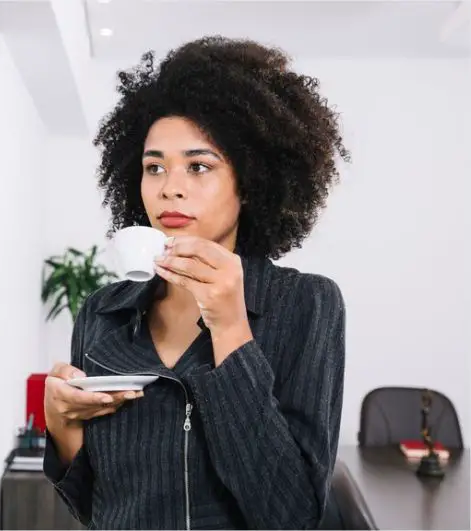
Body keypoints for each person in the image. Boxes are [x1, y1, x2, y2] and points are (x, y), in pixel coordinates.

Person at [43, 36, 349, 530]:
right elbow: (97, 507)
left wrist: (230, 328)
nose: (170, 186)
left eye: (199, 165)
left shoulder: (306, 305)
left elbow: (291, 518)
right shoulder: (104, 314)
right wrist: (62, 422)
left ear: (248, 182)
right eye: (154, 167)